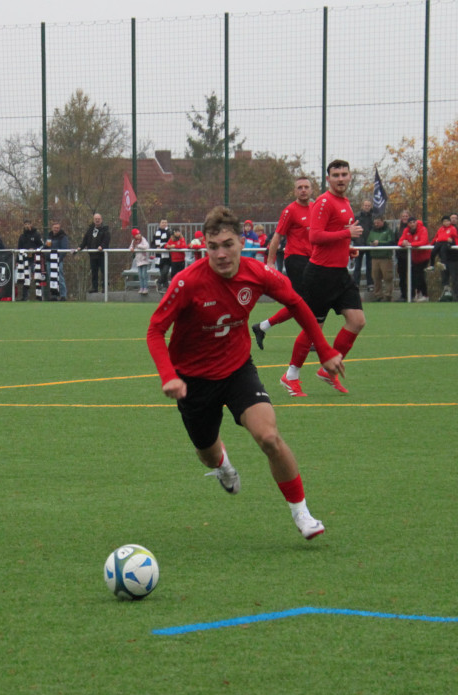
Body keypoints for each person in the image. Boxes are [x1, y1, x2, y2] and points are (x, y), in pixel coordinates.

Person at [146, 205, 344, 541]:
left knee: (269, 437)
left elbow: (297, 303)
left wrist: (324, 351)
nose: (221, 254)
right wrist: (168, 376)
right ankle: (223, 464)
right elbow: (155, 330)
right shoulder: (187, 282)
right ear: (204, 247)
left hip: (238, 371)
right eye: (213, 247)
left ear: (242, 242)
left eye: (227, 244)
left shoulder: (258, 273)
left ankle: (303, 514)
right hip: (193, 382)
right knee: (207, 455)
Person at [275, 160, 365, 397]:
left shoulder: (345, 202)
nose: (341, 178)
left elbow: (333, 237)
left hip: (339, 273)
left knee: (357, 320)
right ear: (328, 179)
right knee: (313, 328)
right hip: (320, 275)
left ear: (350, 176)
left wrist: (347, 248)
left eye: (345, 174)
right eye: (336, 175)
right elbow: (315, 237)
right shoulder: (324, 202)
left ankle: (328, 370)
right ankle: (291, 375)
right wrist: (348, 234)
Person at [253, 177, 315, 346]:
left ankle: (262, 326)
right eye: (299, 187)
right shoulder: (290, 210)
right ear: (295, 191)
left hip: (313, 259)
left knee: (301, 302)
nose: (303, 190)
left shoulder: (316, 208)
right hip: (296, 259)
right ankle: (311, 339)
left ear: (311, 190)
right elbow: (277, 236)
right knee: (308, 300)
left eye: (306, 187)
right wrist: (271, 262)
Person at [398, 216, 431, 301]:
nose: (412, 224)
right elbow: (400, 241)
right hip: (414, 258)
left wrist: (411, 244)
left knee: (420, 275)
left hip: (424, 257)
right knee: (414, 276)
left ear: (416, 222)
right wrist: (403, 243)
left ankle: (425, 295)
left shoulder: (423, 229)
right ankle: (418, 293)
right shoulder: (406, 230)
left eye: (413, 222)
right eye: (410, 223)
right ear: (408, 224)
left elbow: (424, 241)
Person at [365, 216, 395, 301]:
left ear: (382, 221)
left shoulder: (388, 231)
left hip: (385, 258)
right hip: (375, 258)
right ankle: (378, 295)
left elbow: (391, 242)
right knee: (376, 277)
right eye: (375, 222)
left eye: (378, 222)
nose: (376, 224)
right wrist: (371, 244)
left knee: (387, 277)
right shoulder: (372, 231)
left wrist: (380, 243)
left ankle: (388, 295)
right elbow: (368, 241)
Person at [430, 216, 458, 300]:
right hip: (441, 246)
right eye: (444, 221)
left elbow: (457, 239)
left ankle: (456, 297)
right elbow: (436, 237)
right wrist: (431, 244)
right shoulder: (440, 229)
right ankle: (432, 265)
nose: (446, 223)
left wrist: (456, 245)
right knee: (433, 253)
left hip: (452, 258)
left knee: (454, 278)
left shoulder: (454, 229)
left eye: (448, 221)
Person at [82, 213, 110, 294]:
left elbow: (106, 240)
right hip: (93, 255)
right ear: (93, 220)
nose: (97, 220)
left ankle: (105, 287)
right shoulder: (90, 230)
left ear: (101, 220)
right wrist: (80, 247)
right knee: (94, 272)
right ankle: (94, 287)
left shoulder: (105, 230)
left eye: (98, 219)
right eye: (95, 219)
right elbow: (85, 240)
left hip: (102, 255)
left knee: (103, 271)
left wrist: (102, 246)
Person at [47, 220, 70, 299]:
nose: (56, 229)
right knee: (51, 278)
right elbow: (46, 247)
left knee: (60, 277)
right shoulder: (49, 236)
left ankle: (63, 295)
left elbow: (64, 250)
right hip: (50, 260)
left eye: (57, 228)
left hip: (58, 261)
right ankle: (54, 295)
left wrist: (59, 259)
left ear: (59, 228)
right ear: (52, 228)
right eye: (54, 228)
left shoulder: (63, 237)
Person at [129, 227, 152, 295]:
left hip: (144, 260)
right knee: (140, 275)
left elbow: (146, 246)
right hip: (138, 261)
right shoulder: (133, 241)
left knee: (144, 275)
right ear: (134, 236)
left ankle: (145, 288)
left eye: (139, 234)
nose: (138, 235)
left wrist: (138, 246)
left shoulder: (143, 239)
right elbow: (130, 247)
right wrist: (132, 248)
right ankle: (141, 288)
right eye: (137, 234)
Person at [152, 219, 171, 290]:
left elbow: (170, 242)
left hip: (167, 256)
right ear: (159, 224)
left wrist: (162, 247)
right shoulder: (156, 232)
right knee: (163, 274)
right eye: (162, 222)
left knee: (165, 271)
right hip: (159, 256)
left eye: (165, 222)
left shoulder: (169, 232)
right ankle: (166, 287)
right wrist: (156, 247)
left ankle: (158, 282)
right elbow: (153, 243)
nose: (164, 224)